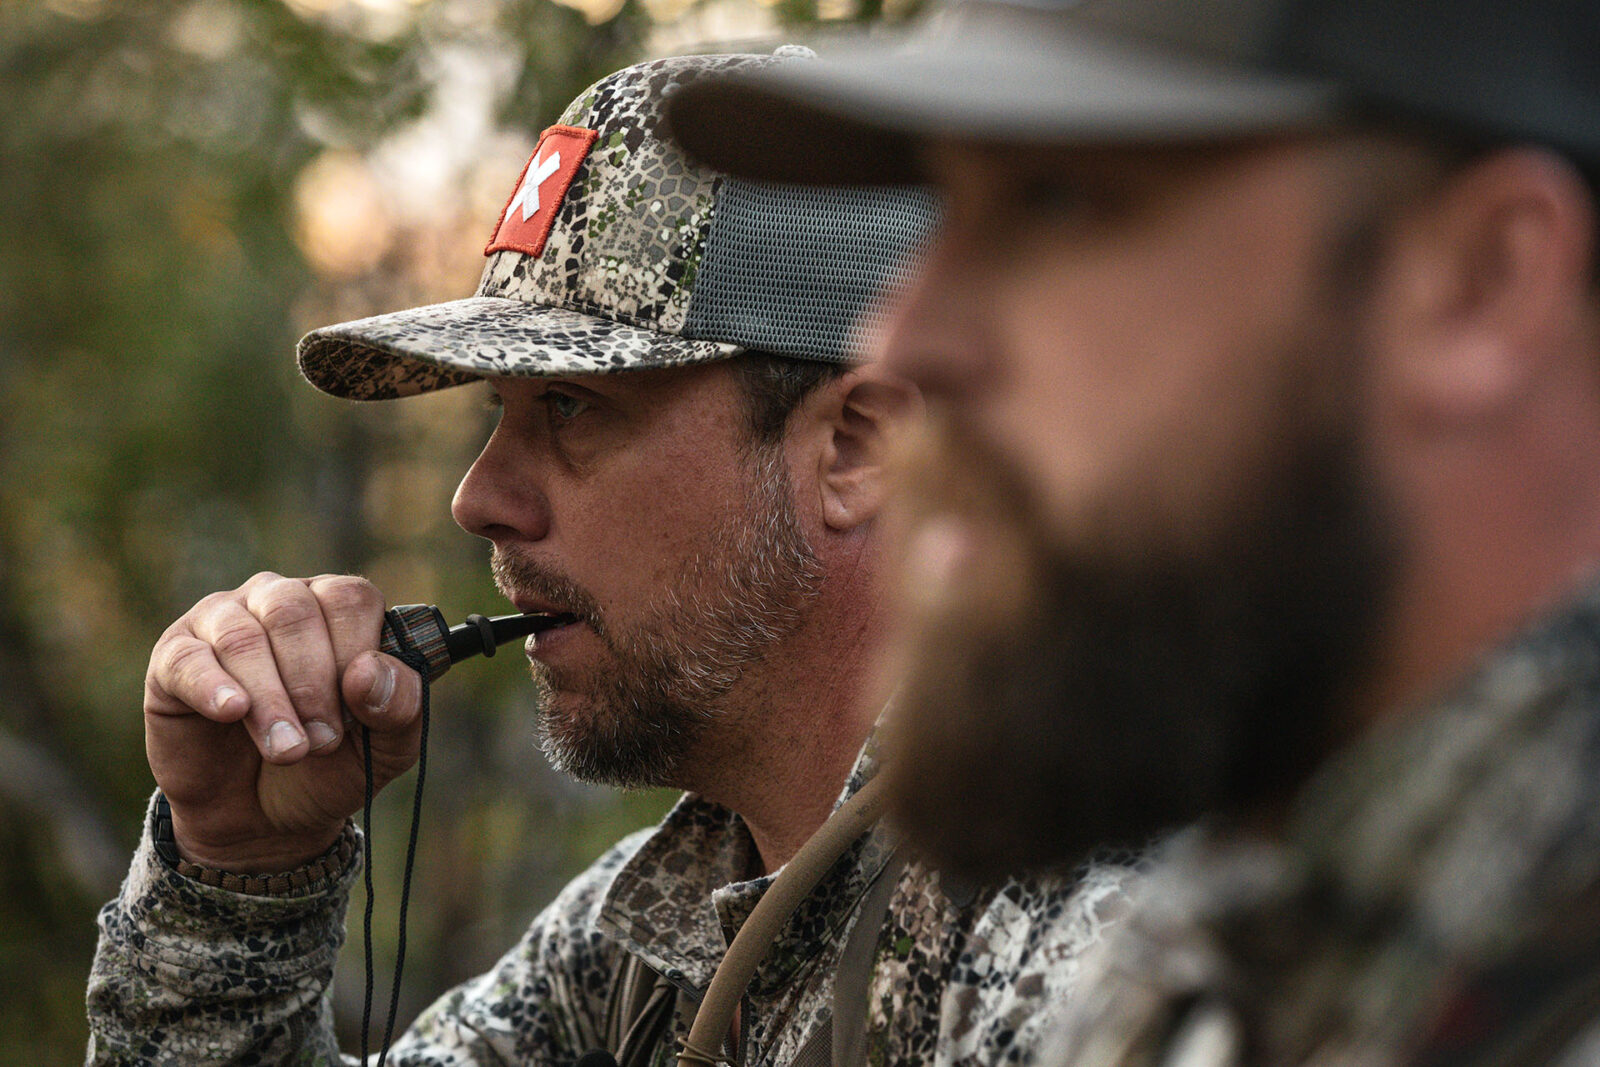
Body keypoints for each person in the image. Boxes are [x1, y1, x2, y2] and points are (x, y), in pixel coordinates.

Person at [85, 50, 1132, 1067]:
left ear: (857, 447)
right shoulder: (661, 927)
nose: (476, 498)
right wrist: (241, 866)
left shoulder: (1089, 950)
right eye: (504, 408)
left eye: (572, 405)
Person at [665, 0, 1600, 1062]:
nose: (903, 342)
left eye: (1057, 201)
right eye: (944, 209)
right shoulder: (1249, 944)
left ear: (1482, 285)